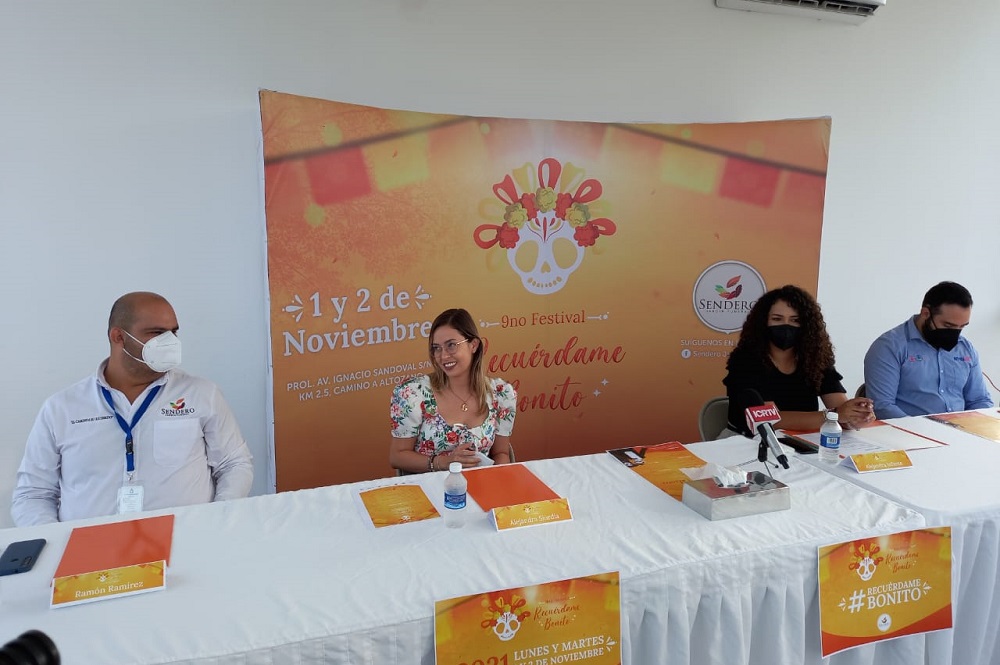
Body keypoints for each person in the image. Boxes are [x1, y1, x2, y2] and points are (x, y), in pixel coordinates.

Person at [12, 292, 253, 526]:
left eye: (174, 332)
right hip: (91, 547)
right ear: (119, 337)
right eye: (157, 333)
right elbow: (33, 494)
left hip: (185, 539)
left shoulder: (201, 394)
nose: (170, 341)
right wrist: (59, 542)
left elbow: (234, 465)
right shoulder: (62, 408)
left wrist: (216, 520)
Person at [722, 285, 874, 437]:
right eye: (777, 319)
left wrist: (856, 416)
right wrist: (834, 415)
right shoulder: (745, 360)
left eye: (795, 320)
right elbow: (772, 420)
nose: (786, 325)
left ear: (807, 325)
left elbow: (840, 408)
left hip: (802, 440)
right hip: (746, 441)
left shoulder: (816, 358)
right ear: (763, 323)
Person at [390, 308, 516, 473]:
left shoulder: (501, 394)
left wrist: (497, 478)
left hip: (481, 484)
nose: (443, 356)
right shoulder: (413, 393)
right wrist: (443, 462)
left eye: (451, 345)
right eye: (437, 348)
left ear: (473, 345)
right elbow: (398, 456)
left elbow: (501, 453)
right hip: (430, 486)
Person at [864, 281, 993, 419]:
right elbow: (882, 407)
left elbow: (979, 400)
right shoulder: (890, 347)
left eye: (962, 327)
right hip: (909, 429)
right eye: (948, 326)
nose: (955, 333)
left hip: (960, 429)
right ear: (925, 313)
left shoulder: (965, 348)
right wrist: (924, 429)